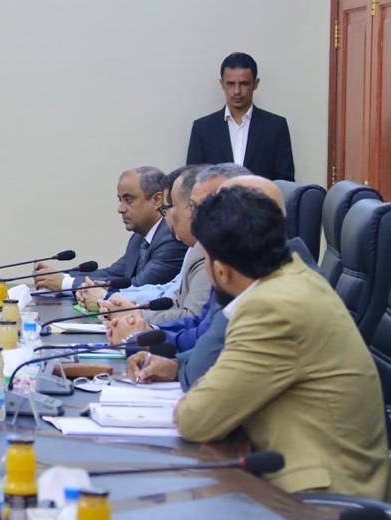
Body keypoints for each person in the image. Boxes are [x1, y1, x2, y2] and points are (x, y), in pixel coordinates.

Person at [170, 185, 388, 498]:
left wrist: (193, 404)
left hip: (321, 502)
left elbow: (196, 419)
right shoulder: (295, 278)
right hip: (308, 477)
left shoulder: (271, 308)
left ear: (220, 270)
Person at [125, 174, 321, 390]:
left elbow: (202, 388)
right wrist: (174, 365)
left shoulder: (273, 297)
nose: (198, 220)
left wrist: (143, 338)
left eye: (208, 209)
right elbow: (210, 343)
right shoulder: (277, 271)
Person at [90, 164, 211, 325]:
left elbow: (191, 317)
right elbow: (169, 292)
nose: (167, 216)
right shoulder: (192, 248)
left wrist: (129, 313)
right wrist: (113, 300)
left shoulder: (205, 252)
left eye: (168, 207)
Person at [34, 167, 186, 292]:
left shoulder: (171, 237)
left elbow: (137, 287)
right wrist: (61, 276)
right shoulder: (139, 237)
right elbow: (113, 274)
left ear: (157, 200)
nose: (121, 209)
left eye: (128, 200)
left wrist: (64, 283)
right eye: (120, 200)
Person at [186, 52, 294, 181]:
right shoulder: (203, 129)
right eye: (231, 84)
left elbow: (285, 182)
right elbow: (191, 181)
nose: (237, 91)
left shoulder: (275, 127)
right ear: (222, 84)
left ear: (256, 83)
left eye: (244, 83)